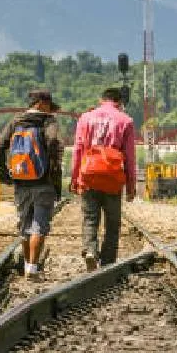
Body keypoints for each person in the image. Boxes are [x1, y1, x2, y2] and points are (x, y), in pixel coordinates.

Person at [0, 89, 63, 281]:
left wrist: (4, 175)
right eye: (49, 105)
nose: (50, 109)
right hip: (43, 181)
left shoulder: (16, 121)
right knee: (39, 224)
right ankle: (32, 268)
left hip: (21, 181)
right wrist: (56, 181)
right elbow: (53, 146)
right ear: (41, 103)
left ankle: (26, 266)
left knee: (25, 226)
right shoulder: (48, 122)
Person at [70, 87, 137, 271]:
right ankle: (108, 263)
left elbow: (77, 150)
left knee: (90, 217)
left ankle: (90, 250)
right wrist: (131, 185)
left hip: (89, 174)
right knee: (112, 222)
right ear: (120, 102)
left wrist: (74, 177)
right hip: (112, 178)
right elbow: (130, 157)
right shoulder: (126, 121)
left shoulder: (85, 118)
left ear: (101, 100)